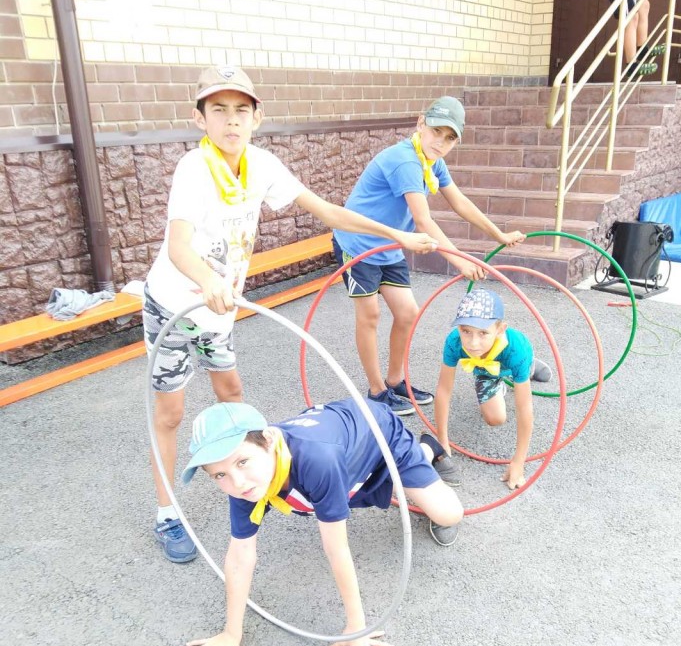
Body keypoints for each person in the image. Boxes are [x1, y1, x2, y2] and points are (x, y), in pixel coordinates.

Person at [144, 65, 438, 565]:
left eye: (241, 111)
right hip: (176, 303)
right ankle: (167, 513)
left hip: (220, 308)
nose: (231, 121)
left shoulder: (261, 165)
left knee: (232, 394)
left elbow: (329, 212)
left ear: (256, 118)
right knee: (171, 413)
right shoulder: (194, 169)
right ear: (200, 119)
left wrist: (399, 235)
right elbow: (178, 246)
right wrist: (209, 279)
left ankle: (246, 479)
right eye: (219, 110)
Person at [176, 398, 464, 646]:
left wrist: (356, 628)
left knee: (448, 514)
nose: (237, 483)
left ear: (268, 440)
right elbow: (240, 556)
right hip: (343, 452)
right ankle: (391, 479)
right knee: (327, 495)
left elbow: (337, 548)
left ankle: (425, 449)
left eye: (242, 462)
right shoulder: (245, 482)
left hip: (380, 434)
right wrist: (231, 634)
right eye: (219, 475)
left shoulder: (317, 460)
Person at [331, 95, 527, 418]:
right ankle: (377, 392)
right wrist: (460, 261)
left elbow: (460, 202)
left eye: (450, 138)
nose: (441, 142)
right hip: (358, 244)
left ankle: (395, 382)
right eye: (437, 131)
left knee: (408, 313)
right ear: (421, 123)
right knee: (370, 315)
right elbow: (423, 221)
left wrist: (500, 236)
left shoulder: (433, 162)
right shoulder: (406, 161)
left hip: (389, 245)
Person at [432, 288, 551, 491]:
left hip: (513, 360)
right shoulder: (454, 341)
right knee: (495, 418)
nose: (473, 342)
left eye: (483, 333)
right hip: (484, 371)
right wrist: (442, 442)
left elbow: (524, 407)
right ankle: (500, 384)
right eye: (466, 331)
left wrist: (519, 461)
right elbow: (443, 390)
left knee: (519, 371)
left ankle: (528, 369)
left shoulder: (516, 347)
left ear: (500, 329)